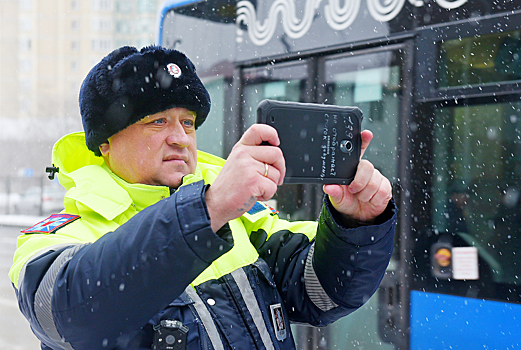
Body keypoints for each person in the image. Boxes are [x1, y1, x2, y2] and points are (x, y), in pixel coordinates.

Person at [9, 46, 396, 350]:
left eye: (188, 122)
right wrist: (206, 210)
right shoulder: (51, 241)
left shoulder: (241, 216)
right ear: (105, 144)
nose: (180, 137)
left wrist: (355, 224)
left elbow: (323, 295)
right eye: (157, 121)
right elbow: (70, 315)